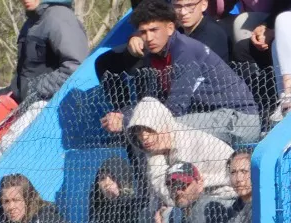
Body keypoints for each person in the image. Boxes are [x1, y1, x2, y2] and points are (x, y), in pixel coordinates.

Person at [96, 0, 260, 145]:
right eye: (143, 32)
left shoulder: (184, 51)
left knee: (161, 129)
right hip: (208, 117)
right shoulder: (154, 55)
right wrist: (122, 114)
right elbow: (153, 102)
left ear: (169, 28)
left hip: (239, 120)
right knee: (146, 130)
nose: (149, 38)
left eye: (154, 30)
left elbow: (175, 108)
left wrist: (126, 121)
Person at [127, 98, 236, 209]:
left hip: (229, 196)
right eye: (138, 131)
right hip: (198, 198)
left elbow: (186, 192)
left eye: (149, 129)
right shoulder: (158, 148)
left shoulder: (185, 142)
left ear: (163, 124)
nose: (144, 137)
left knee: (170, 216)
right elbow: (163, 189)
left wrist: (167, 207)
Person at [89, 158, 155, 223]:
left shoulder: (136, 206)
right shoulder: (101, 213)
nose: (107, 183)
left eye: (112, 177)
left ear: (123, 177)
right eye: (102, 179)